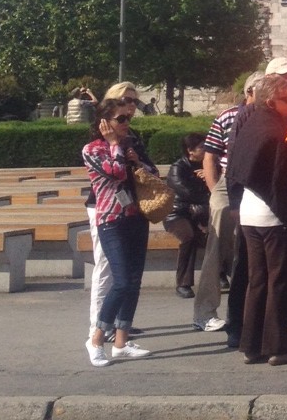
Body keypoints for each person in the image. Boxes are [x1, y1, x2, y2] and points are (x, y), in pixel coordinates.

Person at [225, 71, 287, 366]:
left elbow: (236, 166)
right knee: (279, 281)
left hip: (251, 212)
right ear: (270, 101)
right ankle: (278, 347)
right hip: (274, 214)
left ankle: (251, 345)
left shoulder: (251, 123)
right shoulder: (278, 130)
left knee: (258, 280)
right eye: (286, 98)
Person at [192, 71, 264, 335]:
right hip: (228, 179)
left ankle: (252, 309)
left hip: (256, 183)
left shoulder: (271, 116)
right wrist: (215, 192)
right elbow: (209, 156)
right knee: (218, 241)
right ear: (249, 93)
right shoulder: (228, 117)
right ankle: (204, 311)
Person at [82, 99, 153, 365]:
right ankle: (97, 337)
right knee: (121, 281)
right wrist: (115, 147)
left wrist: (138, 162)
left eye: (128, 119)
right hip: (111, 219)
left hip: (136, 218)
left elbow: (153, 172)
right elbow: (115, 172)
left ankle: (121, 342)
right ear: (104, 122)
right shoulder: (93, 149)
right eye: (120, 119)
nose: (126, 124)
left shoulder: (130, 146)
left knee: (133, 282)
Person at [165, 132, 210, 299]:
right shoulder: (178, 168)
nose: (205, 150)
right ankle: (183, 283)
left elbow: (219, 186)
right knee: (188, 236)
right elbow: (186, 192)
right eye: (201, 147)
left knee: (218, 233)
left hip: (201, 213)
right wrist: (205, 185)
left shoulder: (209, 165)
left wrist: (208, 176)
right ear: (190, 151)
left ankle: (220, 276)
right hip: (177, 214)